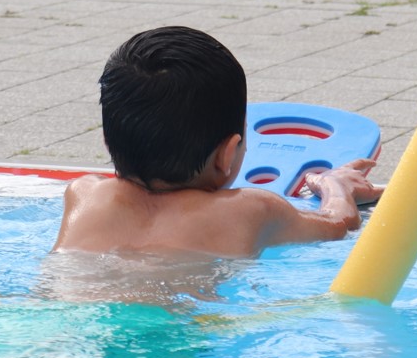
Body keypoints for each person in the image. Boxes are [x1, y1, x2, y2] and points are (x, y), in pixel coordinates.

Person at [54, 25, 382, 257]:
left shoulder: (83, 194)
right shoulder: (251, 210)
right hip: (170, 341)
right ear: (227, 154)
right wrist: (336, 185)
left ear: (107, 142)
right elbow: (339, 223)